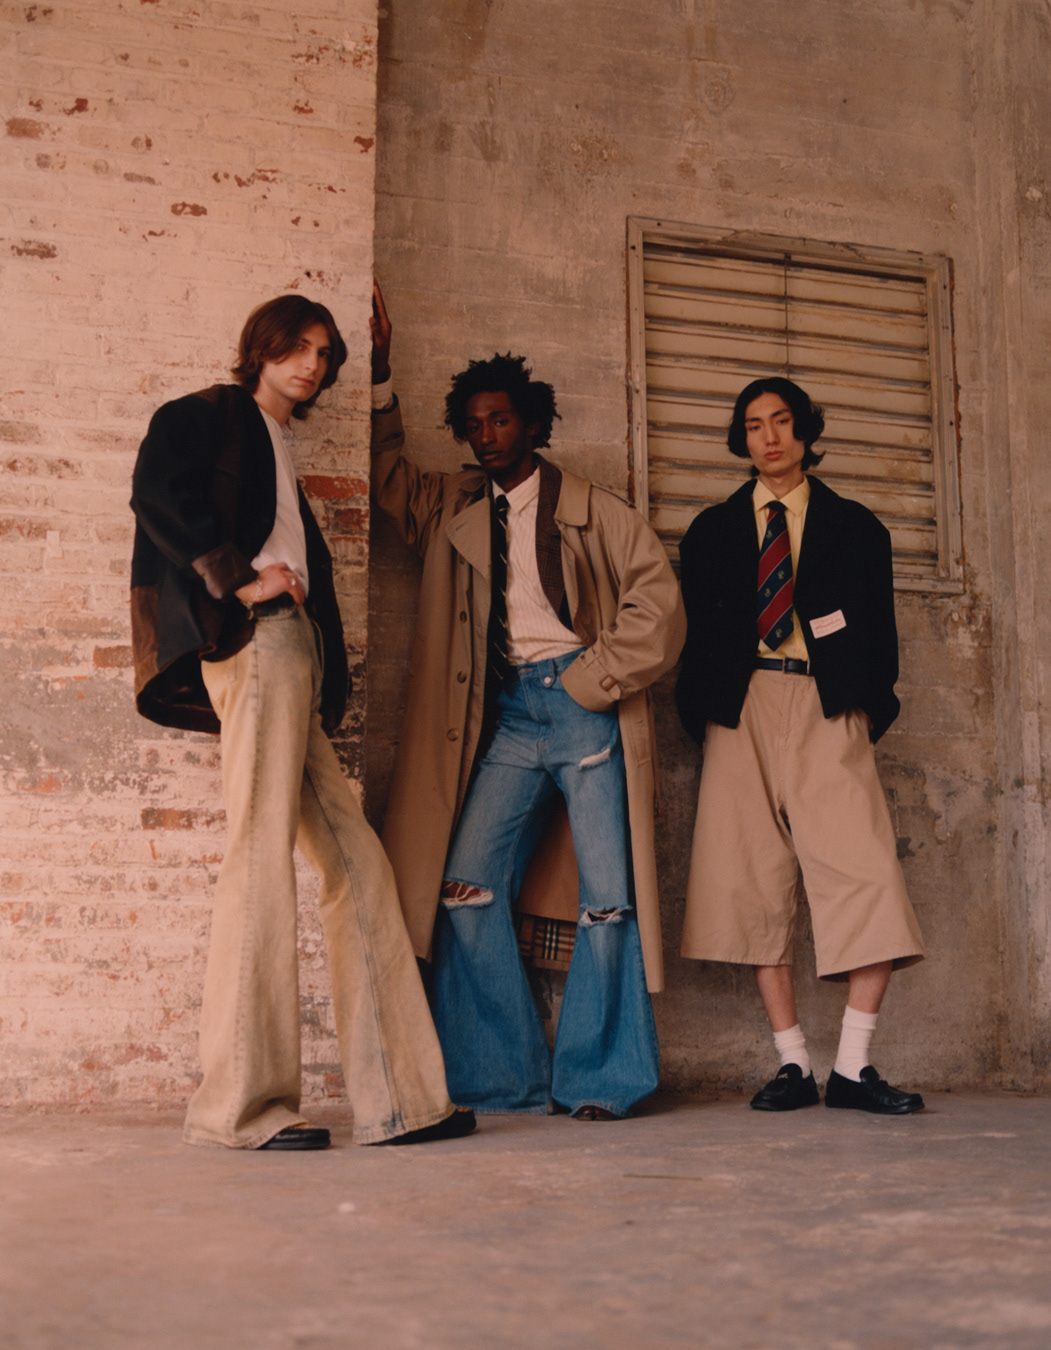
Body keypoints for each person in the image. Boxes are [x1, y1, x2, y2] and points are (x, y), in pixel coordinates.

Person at [129, 294, 475, 1150]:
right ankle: (242, 1107)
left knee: (357, 864)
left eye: (325, 353)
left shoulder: (274, 442)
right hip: (257, 643)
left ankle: (401, 1100)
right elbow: (156, 491)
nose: (313, 365)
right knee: (259, 856)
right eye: (298, 347)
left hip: (296, 653)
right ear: (262, 347)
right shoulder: (208, 414)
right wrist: (239, 581)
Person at [368, 283, 685, 1120]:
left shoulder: (594, 510)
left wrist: (590, 679)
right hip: (510, 719)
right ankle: (504, 1074)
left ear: (534, 425)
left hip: (582, 708)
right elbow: (389, 479)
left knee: (607, 901)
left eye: (501, 420)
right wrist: (378, 375)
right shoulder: (454, 505)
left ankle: (602, 1081)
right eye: (473, 424)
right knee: (466, 887)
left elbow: (659, 607)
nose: (486, 435)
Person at [676, 376, 927, 1115]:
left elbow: (880, 639)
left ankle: (852, 1066)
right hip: (741, 706)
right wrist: (709, 717)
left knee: (867, 875)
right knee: (751, 879)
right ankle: (792, 1063)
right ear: (742, 438)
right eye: (755, 425)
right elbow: (694, 636)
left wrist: (860, 713)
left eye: (782, 421)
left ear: (805, 430)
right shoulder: (711, 531)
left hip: (827, 702)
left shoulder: (857, 527)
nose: (770, 437)